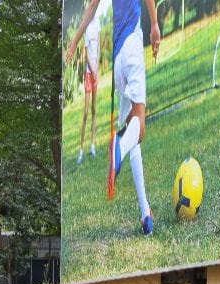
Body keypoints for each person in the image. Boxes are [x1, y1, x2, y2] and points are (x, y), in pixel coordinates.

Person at [66, 0, 160, 236]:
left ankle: (145, 214)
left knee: (132, 132)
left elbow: (90, 10)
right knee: (139, 129)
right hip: (132, 45)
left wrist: (74, 41)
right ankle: (118, 146)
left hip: (118, 60)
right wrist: (155, 25)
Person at [77, 11, 102, 164]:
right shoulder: (86, 28)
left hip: (95, 73)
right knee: (86, 112)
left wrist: (97, 66)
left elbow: (98, 47)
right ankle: (81, 149)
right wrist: (92, 69)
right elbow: (86, 54)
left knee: (94, 109)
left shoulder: (97, 23)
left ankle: (92, 146)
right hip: (88, 74)